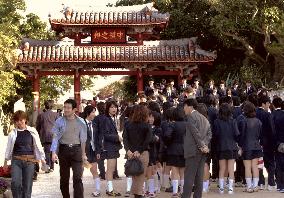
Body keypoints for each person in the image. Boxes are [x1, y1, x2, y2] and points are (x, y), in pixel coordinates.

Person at [4, 110, 46, 198]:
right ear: (15, 122)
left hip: (29, 162)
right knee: (15, 183)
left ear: (25, 119)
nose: (19, 122)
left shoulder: (32, 131)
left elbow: (38, 146)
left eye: (21, 120)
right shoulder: (12, 133)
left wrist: (42, 161)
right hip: (16, 161)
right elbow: (8, 148)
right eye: (17, 121)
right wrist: (5, 162)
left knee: (27, 186)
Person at [51, 99, 87, 198]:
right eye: (64, 107)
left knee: (77, 178)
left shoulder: (81, 122)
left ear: (74, 109)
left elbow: (83, 140)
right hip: (63, 151)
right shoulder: (59, 121)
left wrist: (84, 155)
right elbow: (55, 137)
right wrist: (54, 152)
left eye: (68, 108)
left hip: (77, 151)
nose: (65, 110)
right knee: (64, 179)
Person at [182, 98, 212, 198]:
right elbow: (209, 134)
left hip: (193, 151)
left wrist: (202, 145)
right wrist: (205, 146)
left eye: (184, 106)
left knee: (189, 176)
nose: (184, 109)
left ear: (189, 106)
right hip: (202, 152)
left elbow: (195, 133)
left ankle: (185, 196)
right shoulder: (205, 119)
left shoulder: (191, 117)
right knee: (199, 176)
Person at [123, 105, 153, 198]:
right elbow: (148, 140)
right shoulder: (147, 126)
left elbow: (125, 138)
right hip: (142, 153)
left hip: (130, 153)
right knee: (140, 176)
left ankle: (137, 194)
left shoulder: (128, 124)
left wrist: (128, 150)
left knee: (135, 176)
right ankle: (138, 195)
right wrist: (139, 151)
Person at [213, 103, 240, 194]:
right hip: (232, 147)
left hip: (221, 147)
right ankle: (230, 188)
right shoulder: (233, 121)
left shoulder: (216, 121)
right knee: (231, 169)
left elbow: (215, 135)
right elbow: (237, 134)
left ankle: (221, 188)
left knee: (222, 168)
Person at [238, 102, 263, 193]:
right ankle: (255, 186)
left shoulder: (243, 121)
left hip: (247, 146)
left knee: (247, 167)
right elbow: (260, 135)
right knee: (255, 167)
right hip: (256, 146)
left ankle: (249, 186)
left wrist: (240, 146)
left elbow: (242, 136)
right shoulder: (258, 121)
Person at [102, 100, 123, 196]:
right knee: (110, 169)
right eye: (111, 107)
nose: (114, 109)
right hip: (109, 147)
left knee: (111, 169)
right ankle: (110, 190)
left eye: (115, 107)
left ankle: (110, 189)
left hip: (113, 147)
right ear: (107, 108)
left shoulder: (113, 118)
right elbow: (105, 135)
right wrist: (117, 137)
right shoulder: (106, 119)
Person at [164, 107, 186, 197]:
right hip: (185, 150)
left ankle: (175, 192)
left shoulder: (172, 125)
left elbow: (167, 135)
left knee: (175, 171)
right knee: (183, 172)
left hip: (173, 150)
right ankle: (183, 191)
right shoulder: (188, 124)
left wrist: (169, 143)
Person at [256, 96, 277, 190]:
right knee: (270, 163)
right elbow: (272, 131)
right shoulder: (267, 115)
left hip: (256, 142)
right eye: (268, 103)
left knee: (258, 163)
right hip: (268, 143)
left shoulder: (254, 113)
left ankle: (260, 182)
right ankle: (271, 183)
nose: (269, 105)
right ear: (263, 104)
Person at [82, 105, 101, 197]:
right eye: (93, 112)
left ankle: (97, 190)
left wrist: (98, 151)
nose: (94, 114)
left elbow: (97, 139)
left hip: (93, 151)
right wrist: (82, 153)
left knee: (94, 170)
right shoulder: (81, 124)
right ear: (88, 113)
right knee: (79, 172)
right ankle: (78, 190)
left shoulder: (95, 124)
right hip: (83, 152)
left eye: (95, 112)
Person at [36, 100, 59, 173]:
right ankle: (51, 166)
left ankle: (48, 166)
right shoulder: (56, 115)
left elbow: (38, 126)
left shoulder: (41, 115)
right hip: (54, 135)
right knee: (53, 150)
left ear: (45, 106)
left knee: (47, 151)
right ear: (52, 106)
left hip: (45, 134)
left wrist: (38, 134)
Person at [272, 98, 284, 193]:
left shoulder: (276, 116)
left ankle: (280, 185)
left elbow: (273, 131)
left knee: (279, 164)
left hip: (279, 143)